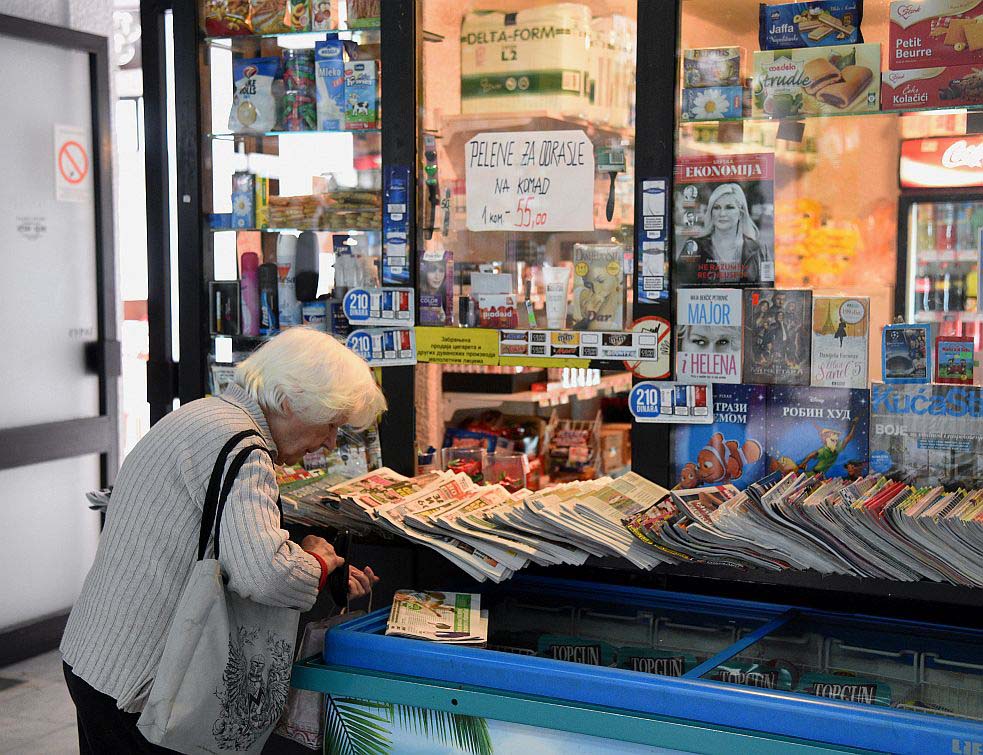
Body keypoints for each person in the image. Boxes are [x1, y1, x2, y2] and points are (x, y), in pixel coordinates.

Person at [60, 328, 387, 753]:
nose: (328, 442)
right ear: (289, 401)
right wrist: (318, 562)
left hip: (96, 654)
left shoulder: (202, 415)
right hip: (140, 684)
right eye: (329, 424)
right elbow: (265, 575)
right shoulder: (243, 447)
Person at [677, 183, 771, 285]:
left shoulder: (759, 251)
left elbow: (767, 292)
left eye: (729, 207)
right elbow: (679, 287)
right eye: (716, 207)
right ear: (711, 212)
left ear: (741, 213)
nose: (722, 214)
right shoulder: (693, 246)